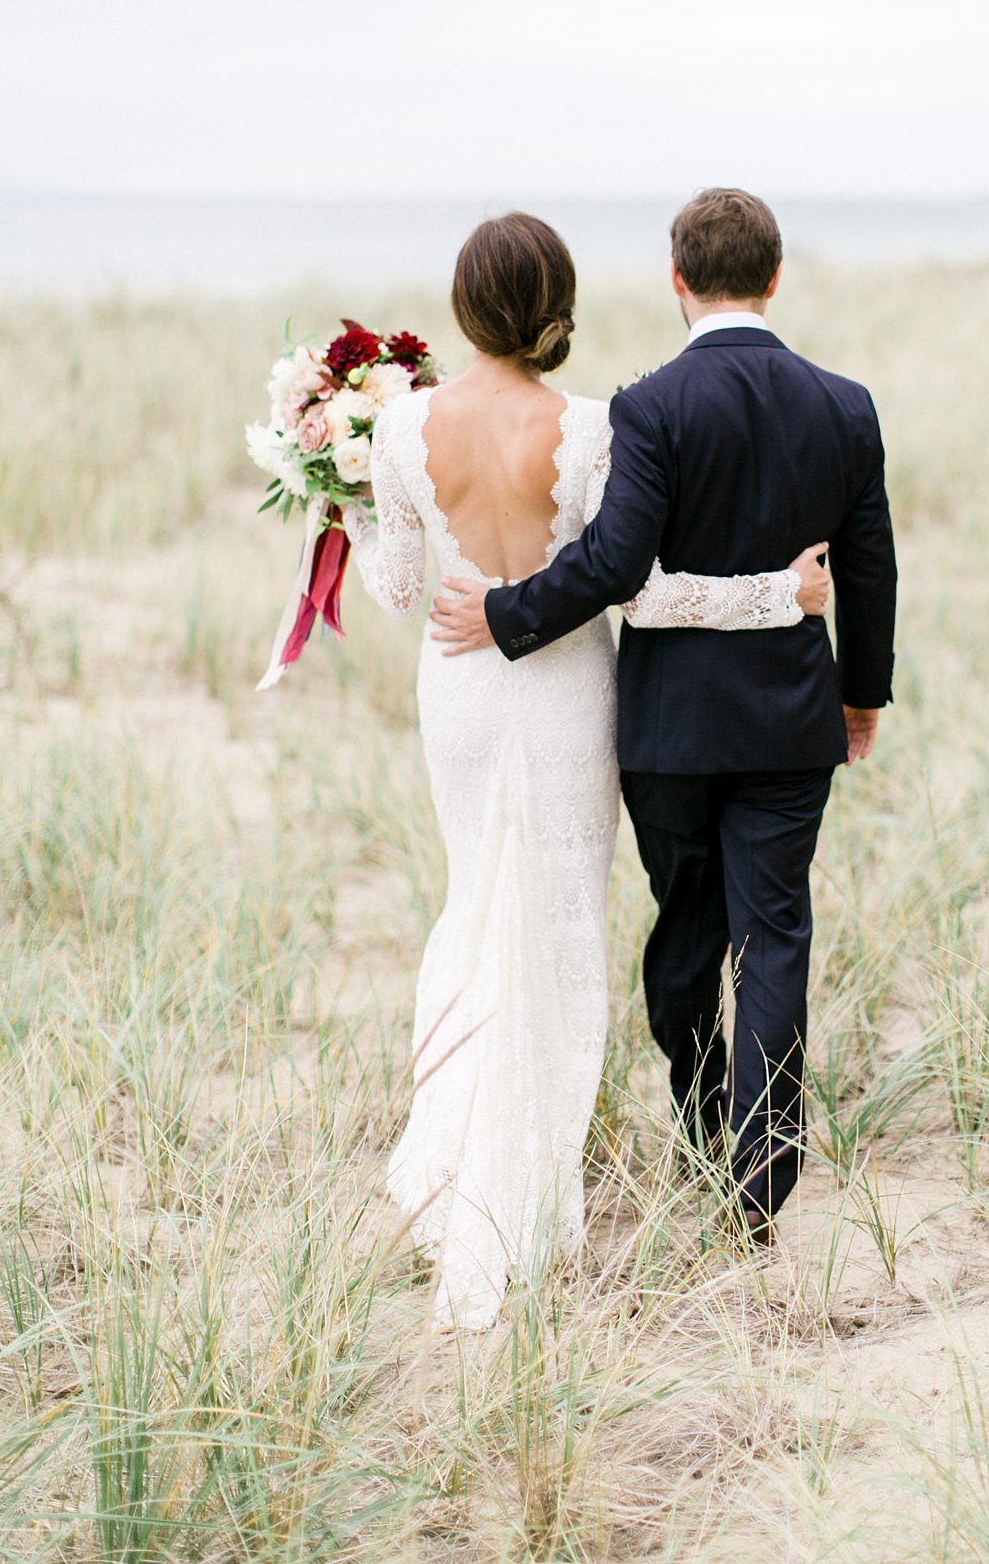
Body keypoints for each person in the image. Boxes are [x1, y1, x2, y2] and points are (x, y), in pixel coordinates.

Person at [344, 210, 830, 1327]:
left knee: (474, 906)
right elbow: (634, 588)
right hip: (567, 695)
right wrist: (774, 597)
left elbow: (403, 593)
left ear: (465, 307)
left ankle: (465, 1169)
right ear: (556, 304)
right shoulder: (594, 425)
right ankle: (536, 1192)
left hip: (459, 693)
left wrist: (349, 517)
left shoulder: (402, 428)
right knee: (559, 926)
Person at [431, 187, 897, 1241]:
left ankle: (699, 1125)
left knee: (687, 932)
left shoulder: (649, 408)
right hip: (789, 721)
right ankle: (760, 1179)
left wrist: (504, 616)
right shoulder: (844, 404)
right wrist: (860, 695)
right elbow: (870, 568)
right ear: (775, 278)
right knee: (774, 934)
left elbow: (612, 563)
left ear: (676, 281)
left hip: (668, 733)